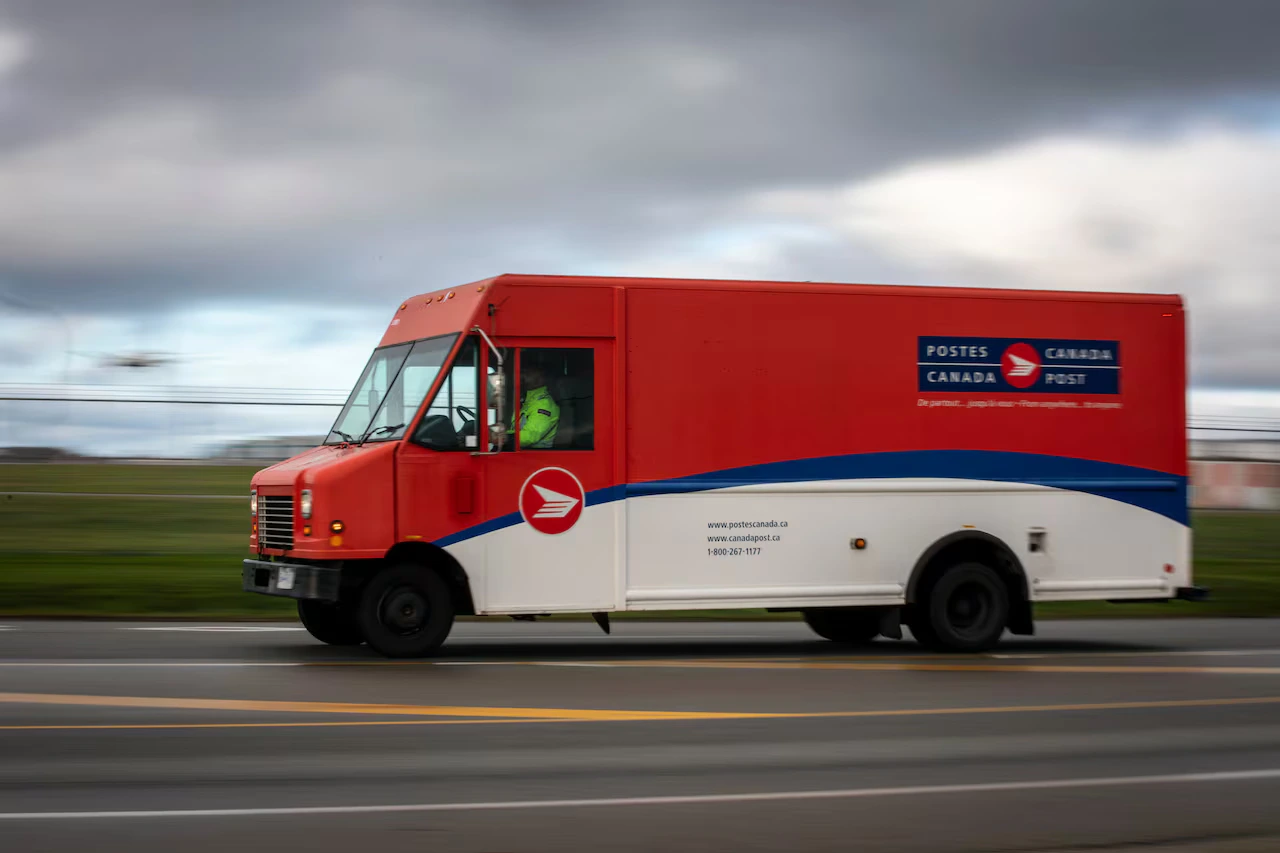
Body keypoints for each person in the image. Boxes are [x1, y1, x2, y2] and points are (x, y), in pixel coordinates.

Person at [512, 360, 559, 449]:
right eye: (522, 372)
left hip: (537, 457)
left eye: (528, 373)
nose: (522, 376)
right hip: (522, 454)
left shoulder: (544, 404)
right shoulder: (527, 401)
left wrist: (503, 438)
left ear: (540, 379)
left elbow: (530, 437)